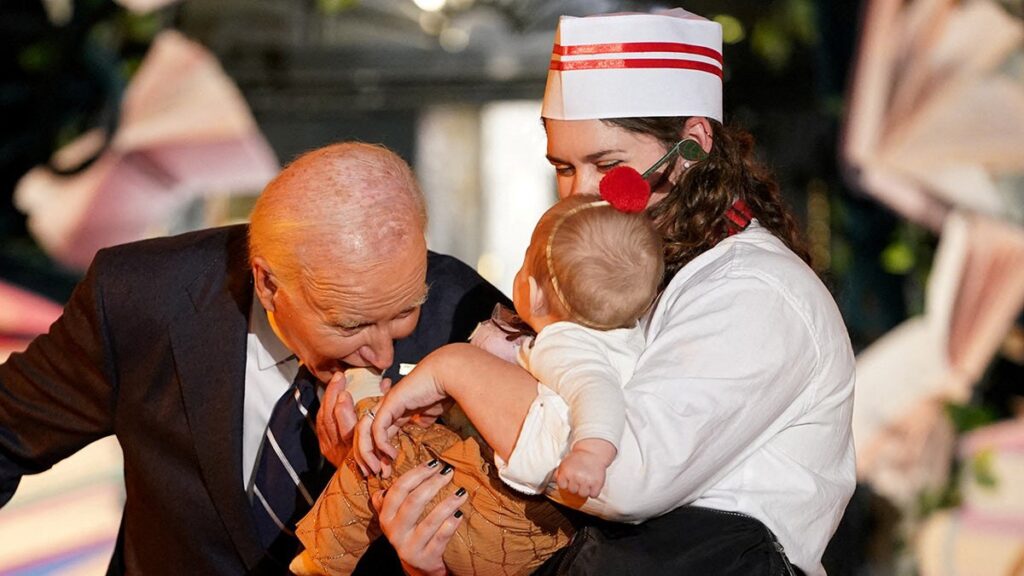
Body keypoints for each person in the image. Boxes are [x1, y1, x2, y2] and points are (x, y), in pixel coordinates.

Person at [358, 8, 856, 576]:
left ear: (691, 146)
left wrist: (462, 371)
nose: (580, 194)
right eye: (563, 168)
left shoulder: (756, 293)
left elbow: (623, 477)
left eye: (608, 165)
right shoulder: (629, 284)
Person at [0, 142, 508, 574]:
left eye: (403, 313)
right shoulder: (143, 298)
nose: (382, 353)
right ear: (268, 284)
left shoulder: (469, 320)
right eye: (349, 324)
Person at [290, 191, 662, 575]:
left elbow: (595, 391)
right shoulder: (621, 341)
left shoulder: (567, 345)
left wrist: (590, 452)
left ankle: (321, 560)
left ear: (531, 291)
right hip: (532, 538)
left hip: (496, 513)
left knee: (376, 438)